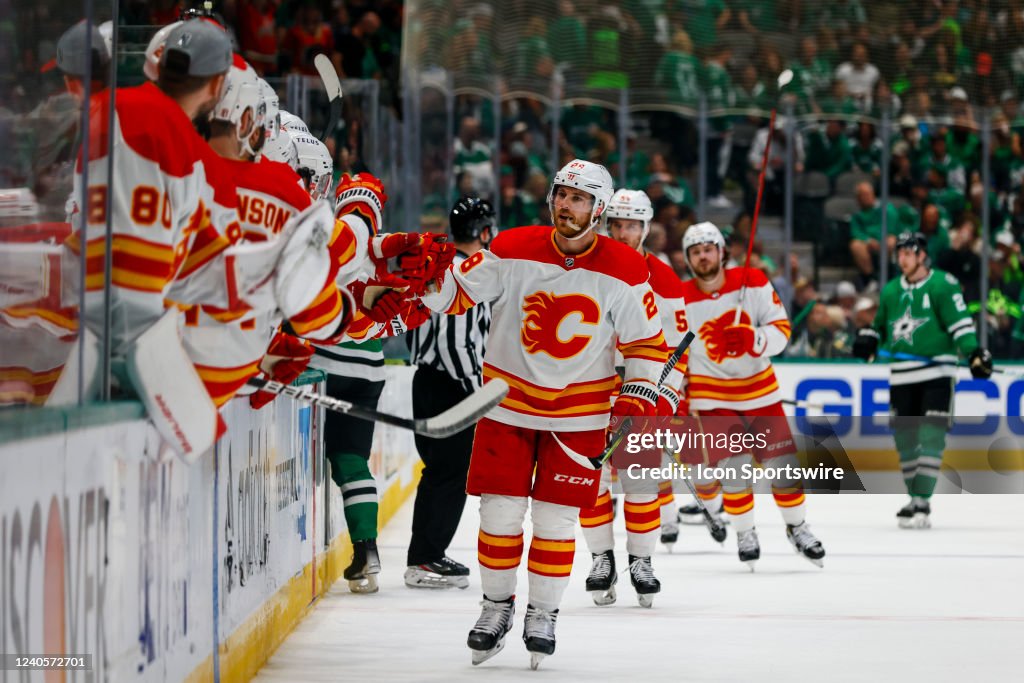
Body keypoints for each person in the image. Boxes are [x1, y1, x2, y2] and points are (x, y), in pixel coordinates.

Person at [421, 159, 667, 668]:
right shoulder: (512, 247)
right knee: (499, 513)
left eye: (577, 198)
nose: (564, 205)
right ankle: (495, 607)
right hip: (507, 406)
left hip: (579, 417)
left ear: (598, 209)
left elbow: (647, 345)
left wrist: (638, 394)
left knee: (556, 521)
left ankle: (542, 612)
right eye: (560, 194)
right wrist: (423, 273)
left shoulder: (625, 267)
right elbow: (453, 295)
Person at [679, 222, 826, 570]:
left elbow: (781, 330)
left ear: (721, 251)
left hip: (760, 392)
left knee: (783, 466)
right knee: (734, 470)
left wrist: (753, 338)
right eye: (695, 251)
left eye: (708, 248)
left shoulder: (754, 281)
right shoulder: (680, 297)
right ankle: (746, 532)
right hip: (711, 397)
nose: (703, 256)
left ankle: (797, 527)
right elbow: (674, 349)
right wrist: (677, 391)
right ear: (688, 259)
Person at [577, 188, 687, 607]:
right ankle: (601, 559)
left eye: (632, 225)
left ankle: (641, 562)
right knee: (593, 480)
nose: (623, 233)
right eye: (617, 224)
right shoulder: (586, 267)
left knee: (641, 482)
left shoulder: (663, 277)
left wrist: (667, 392)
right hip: (592, 391)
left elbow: (677, 346)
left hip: (641, 392)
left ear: (646, 227)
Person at [853, 232, 992, 528]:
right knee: (904, 439)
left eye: (908, 252)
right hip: (902, 376)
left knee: (931, 435)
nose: (902, 258)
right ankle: (914, 497)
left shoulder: (943, 285)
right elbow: (879, 328)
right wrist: (868, 340)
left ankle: (922, 501)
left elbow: (961, 326)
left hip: (937, 374)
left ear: (921, 256)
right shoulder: (891, 291)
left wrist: (974, 353)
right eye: (899, 253)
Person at [405, 197, 496, 590]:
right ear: (487, 232)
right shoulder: (470, 273)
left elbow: (415, 333)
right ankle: (425, 558)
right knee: (450, 474)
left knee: (437, 472)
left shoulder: (438, 265)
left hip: (424, 381)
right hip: (453, 386)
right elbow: (457, 344)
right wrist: (478, 393)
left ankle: (423, 555)